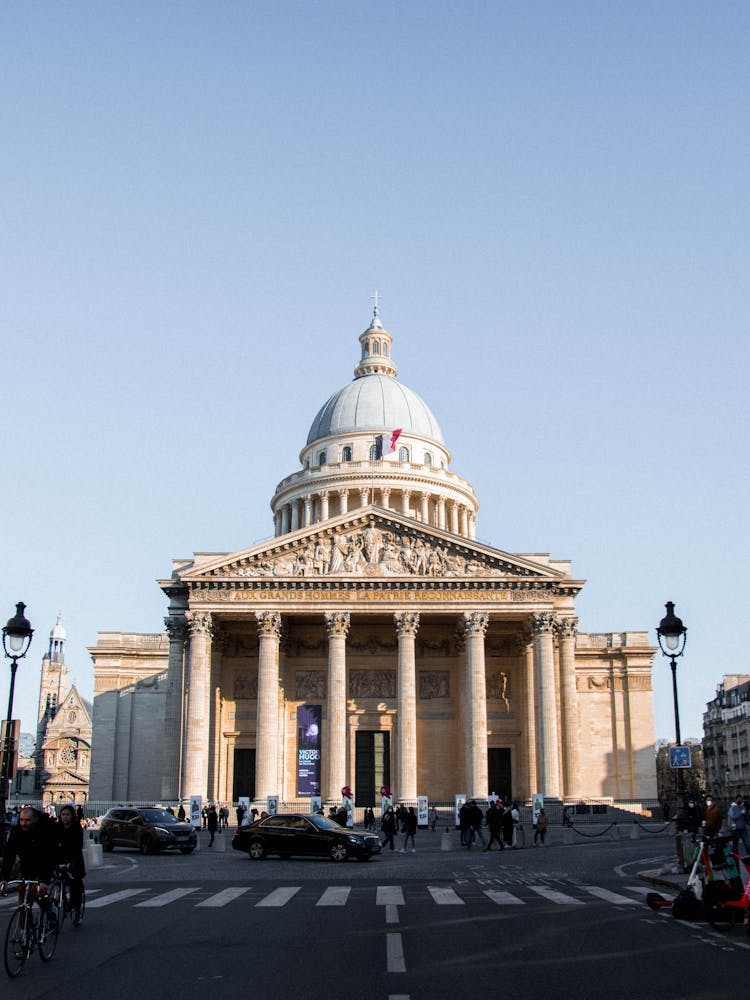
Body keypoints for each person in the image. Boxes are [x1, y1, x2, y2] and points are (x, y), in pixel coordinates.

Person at [0, 806, 57, 913]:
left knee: (38, 892)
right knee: (22, 901)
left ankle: (50, 912)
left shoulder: (45, 831)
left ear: (35, 819)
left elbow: (49, 856)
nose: (24, 823)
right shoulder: (17, 831)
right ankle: (23, 928)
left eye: (27, 820)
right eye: (21, 820)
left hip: (42, 866)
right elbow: (9, 854)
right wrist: (4, 878)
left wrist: (44, 880)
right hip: (26, 866)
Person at [54, 803, 86, 923]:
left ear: (72, 815)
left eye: (67, 814)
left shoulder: (77, 828)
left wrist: (72, 862)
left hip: (74, 859)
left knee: (75, 884)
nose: (65, 817)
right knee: (57, 880)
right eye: (63, 814)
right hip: (60, 858)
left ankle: (76, 907)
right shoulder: (57, 827)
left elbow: (78, 847)